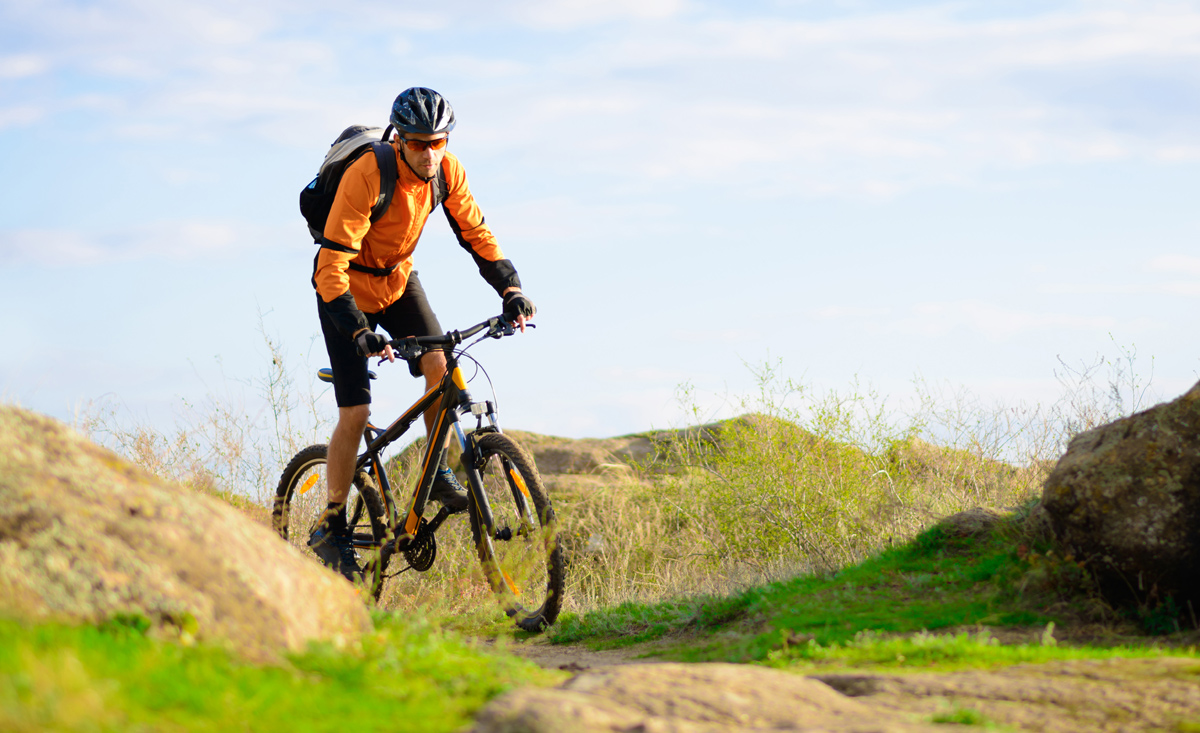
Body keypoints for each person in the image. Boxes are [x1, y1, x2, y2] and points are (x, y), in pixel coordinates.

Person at [308, 87, 536, 580]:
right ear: (399, 139)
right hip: (344, 288)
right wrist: (359, 332)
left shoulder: (447, 171)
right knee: (357, 410)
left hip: (397, 280)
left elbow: (477, 233)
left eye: (438, 142)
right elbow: (331, 265)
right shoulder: (367, 174)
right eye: (417, 143)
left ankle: (435, 476)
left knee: (441, 366)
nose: (428, 152)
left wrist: (510, 289)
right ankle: (330, 522)